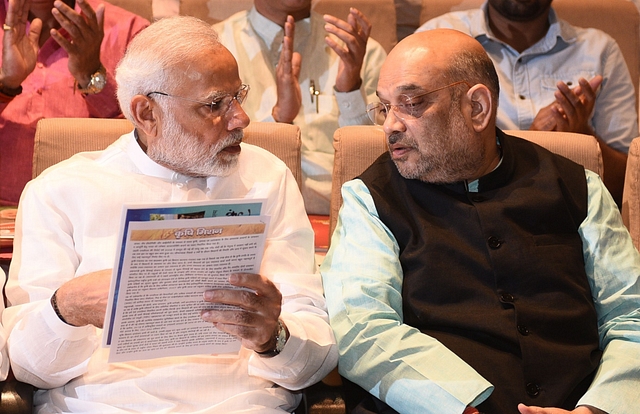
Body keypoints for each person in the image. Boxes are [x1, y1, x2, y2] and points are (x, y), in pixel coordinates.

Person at [3, 16, 337, 413]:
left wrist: (274, 337)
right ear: (146, 113)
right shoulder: (60, 191)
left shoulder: (267, 178)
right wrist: (66, 309)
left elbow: (314, 356)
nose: (241, 119)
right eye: (214, 105)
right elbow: (31, 369)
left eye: (238, 96)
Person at [320, 29, 640, 414]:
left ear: (476, 108)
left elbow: (630, 317)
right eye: (385, 107)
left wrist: (598, 409)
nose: (391, 125)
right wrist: (459, 406)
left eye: (411, 103)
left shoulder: (576, 187)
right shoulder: (370, 198)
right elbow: (362, 328)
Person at [417, 0, 638, 206]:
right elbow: (412, 151)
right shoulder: (434, 40)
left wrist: (582, 133)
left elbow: (630, 183)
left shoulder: (599, 50)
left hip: (567, 212)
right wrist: (533, 143)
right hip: (463, 207)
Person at [213, 0, 386, 215]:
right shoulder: (213, 51)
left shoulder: (362, 51)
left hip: (348, 215)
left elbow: (379, 161)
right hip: (249, 212)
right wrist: (279, 118)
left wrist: (350, 90)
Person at [0, 0, 149, 206]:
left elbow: (151, 137)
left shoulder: (130, 31)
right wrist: (6, 86)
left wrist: (92, 75)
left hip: (95, 213)